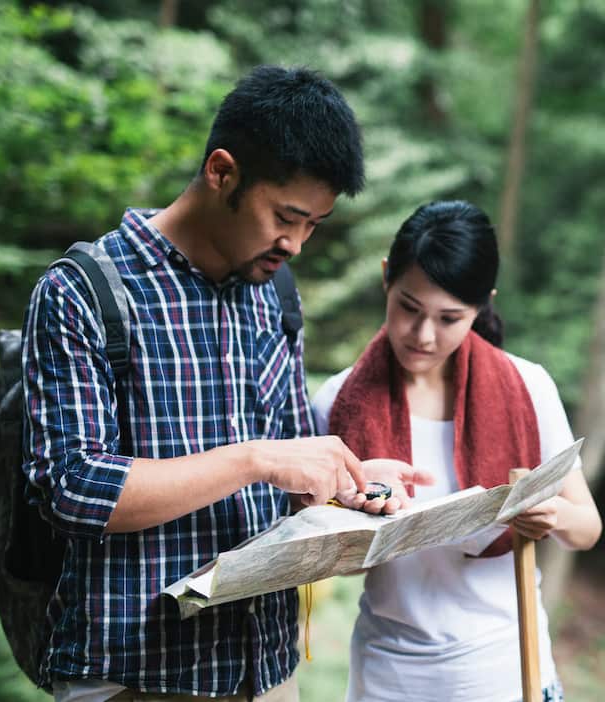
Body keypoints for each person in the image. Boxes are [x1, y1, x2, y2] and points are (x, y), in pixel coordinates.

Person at [22, 65, 426, 702]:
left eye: (313, 224)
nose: (294, 243)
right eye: (285, 215)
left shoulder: (275, 295)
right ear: (221, 172)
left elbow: (284, 471)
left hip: (266, 673)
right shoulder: (84, 292)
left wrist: (346, 483)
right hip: (137, 675)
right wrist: (256, 460)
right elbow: (71, 489)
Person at [312, 200, 603, 702]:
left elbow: (588, 529)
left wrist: (549, 514)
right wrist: (349, 510)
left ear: (482, 304)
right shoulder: (338, 402)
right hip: (390, 677)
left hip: (508, 671)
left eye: (450, 318)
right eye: (409, 307)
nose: (423, 335)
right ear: (386, 278)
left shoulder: (527, 388)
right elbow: (339, 564)